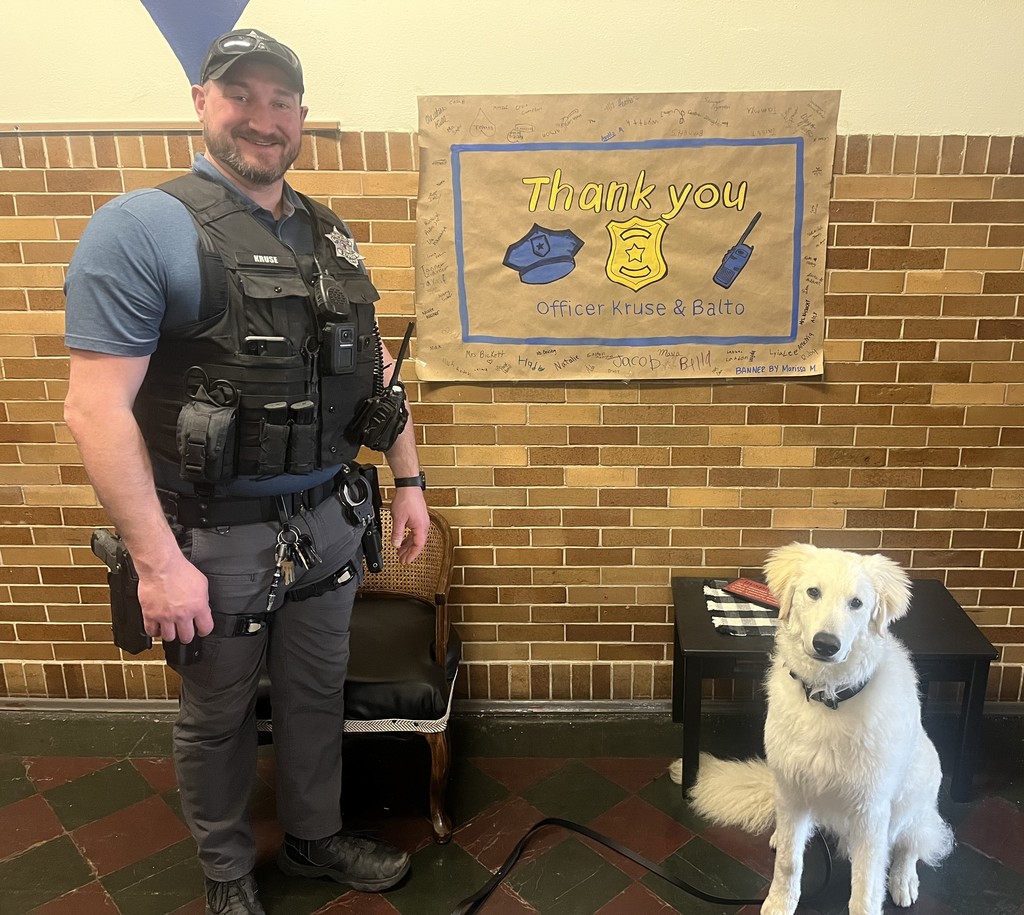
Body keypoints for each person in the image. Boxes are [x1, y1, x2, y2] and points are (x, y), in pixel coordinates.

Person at [63, 28, 428, 915]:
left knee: (313, 694)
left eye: (280, 99)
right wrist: (157, 562)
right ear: (201, 101)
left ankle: (311, 837)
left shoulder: (328, 231)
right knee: (218, 713)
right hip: (211, 536)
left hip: (331, 519)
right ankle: (227, 870)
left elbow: (370, 364)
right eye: (241, 94)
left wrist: (410, 479)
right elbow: (95, 409)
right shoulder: (142, 227)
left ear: (302, 114)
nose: (262, 117)